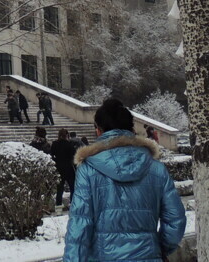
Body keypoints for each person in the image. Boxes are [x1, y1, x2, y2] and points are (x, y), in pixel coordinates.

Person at [63, 97, 186, 262]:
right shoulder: (156, 169)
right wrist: (157, 247)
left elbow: (79, 225)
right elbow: (175, 219)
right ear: (131, 129)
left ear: (98, 130)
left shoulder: (88, 170)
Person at [51, 127, 78, 209]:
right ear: (67, 135)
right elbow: (73, 155)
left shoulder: (55, 144)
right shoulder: (69, 144)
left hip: (59, 167)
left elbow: (51, 154)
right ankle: (72, 202)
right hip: (69, 167)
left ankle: (58, 203)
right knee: (72, 186)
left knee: (60, 187)